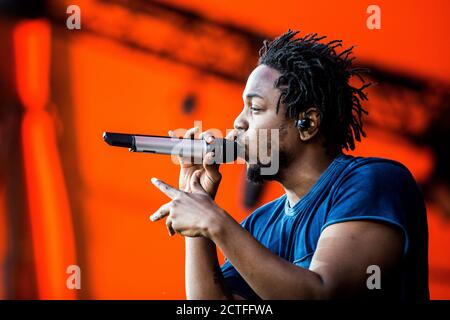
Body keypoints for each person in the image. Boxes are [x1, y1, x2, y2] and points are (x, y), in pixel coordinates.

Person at [149, 30, 429, 300]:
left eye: (255, 108)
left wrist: (214, 221)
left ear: (308, 123)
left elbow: (322, 294)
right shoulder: (259, 225)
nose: (238, 122)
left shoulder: (374, 182)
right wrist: (197, 210)